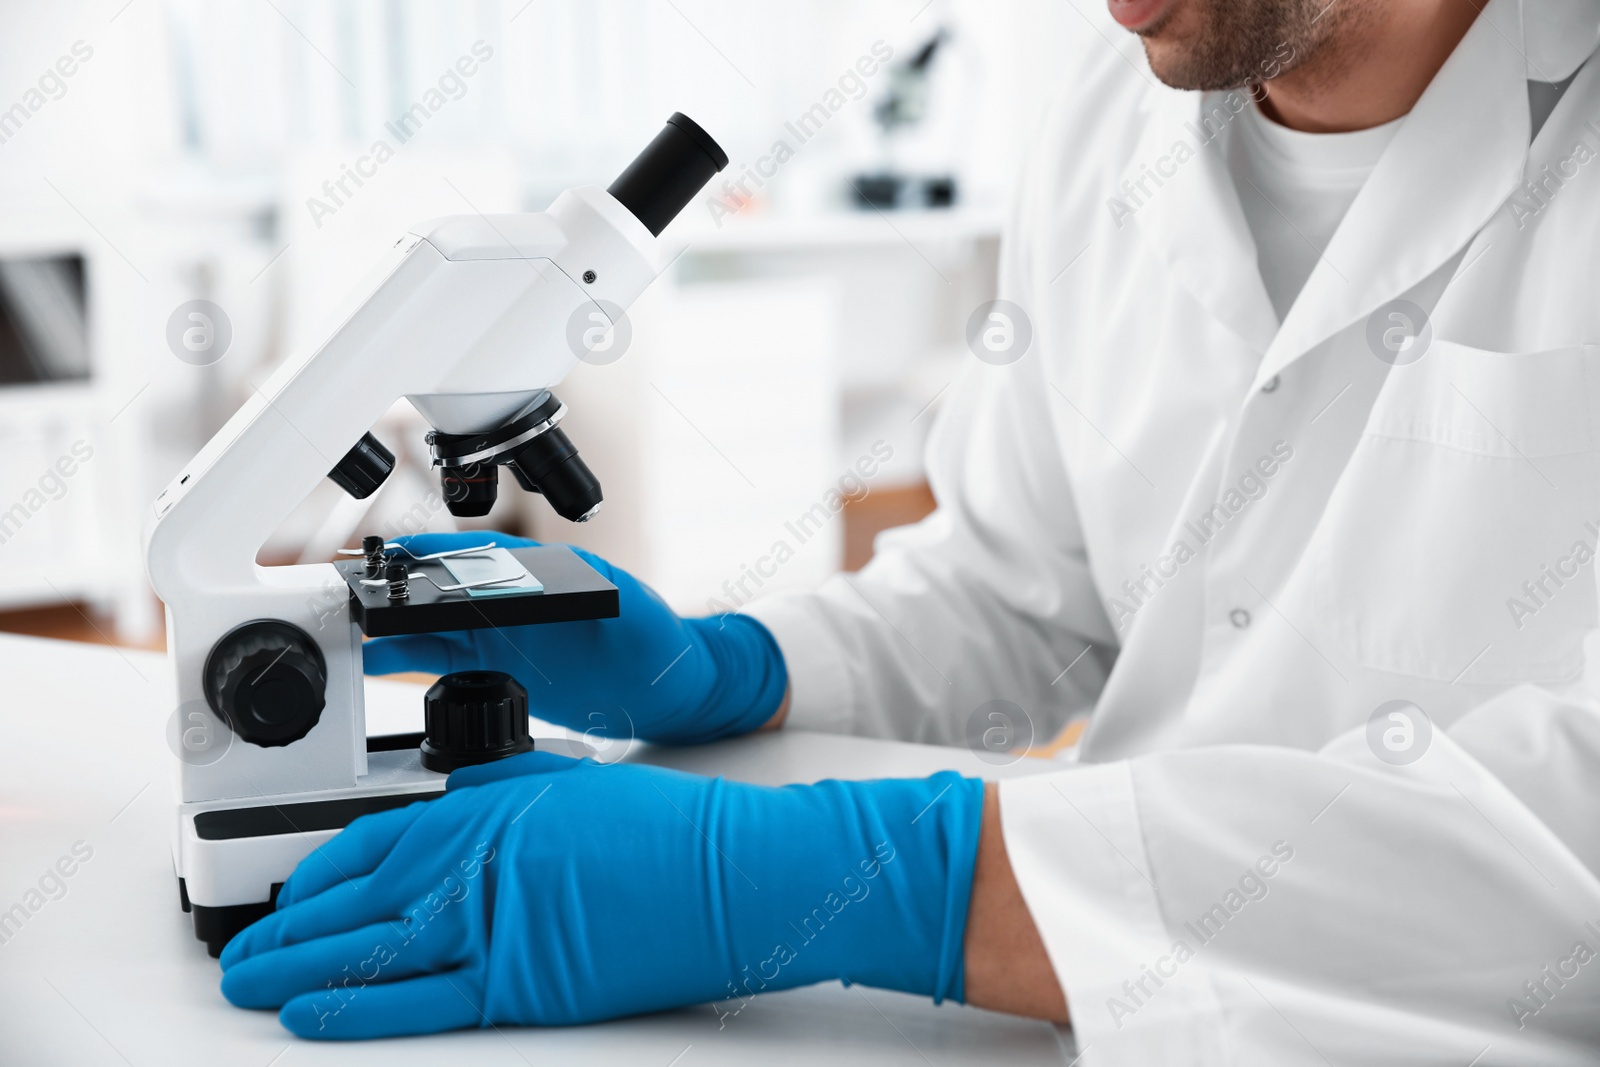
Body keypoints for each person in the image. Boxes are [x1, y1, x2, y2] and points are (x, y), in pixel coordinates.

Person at [219, 0, 1600, 1060]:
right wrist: (736, 664)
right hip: (1082, 1012)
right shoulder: (1114, 113)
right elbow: (1022, 588)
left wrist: (880, 881)